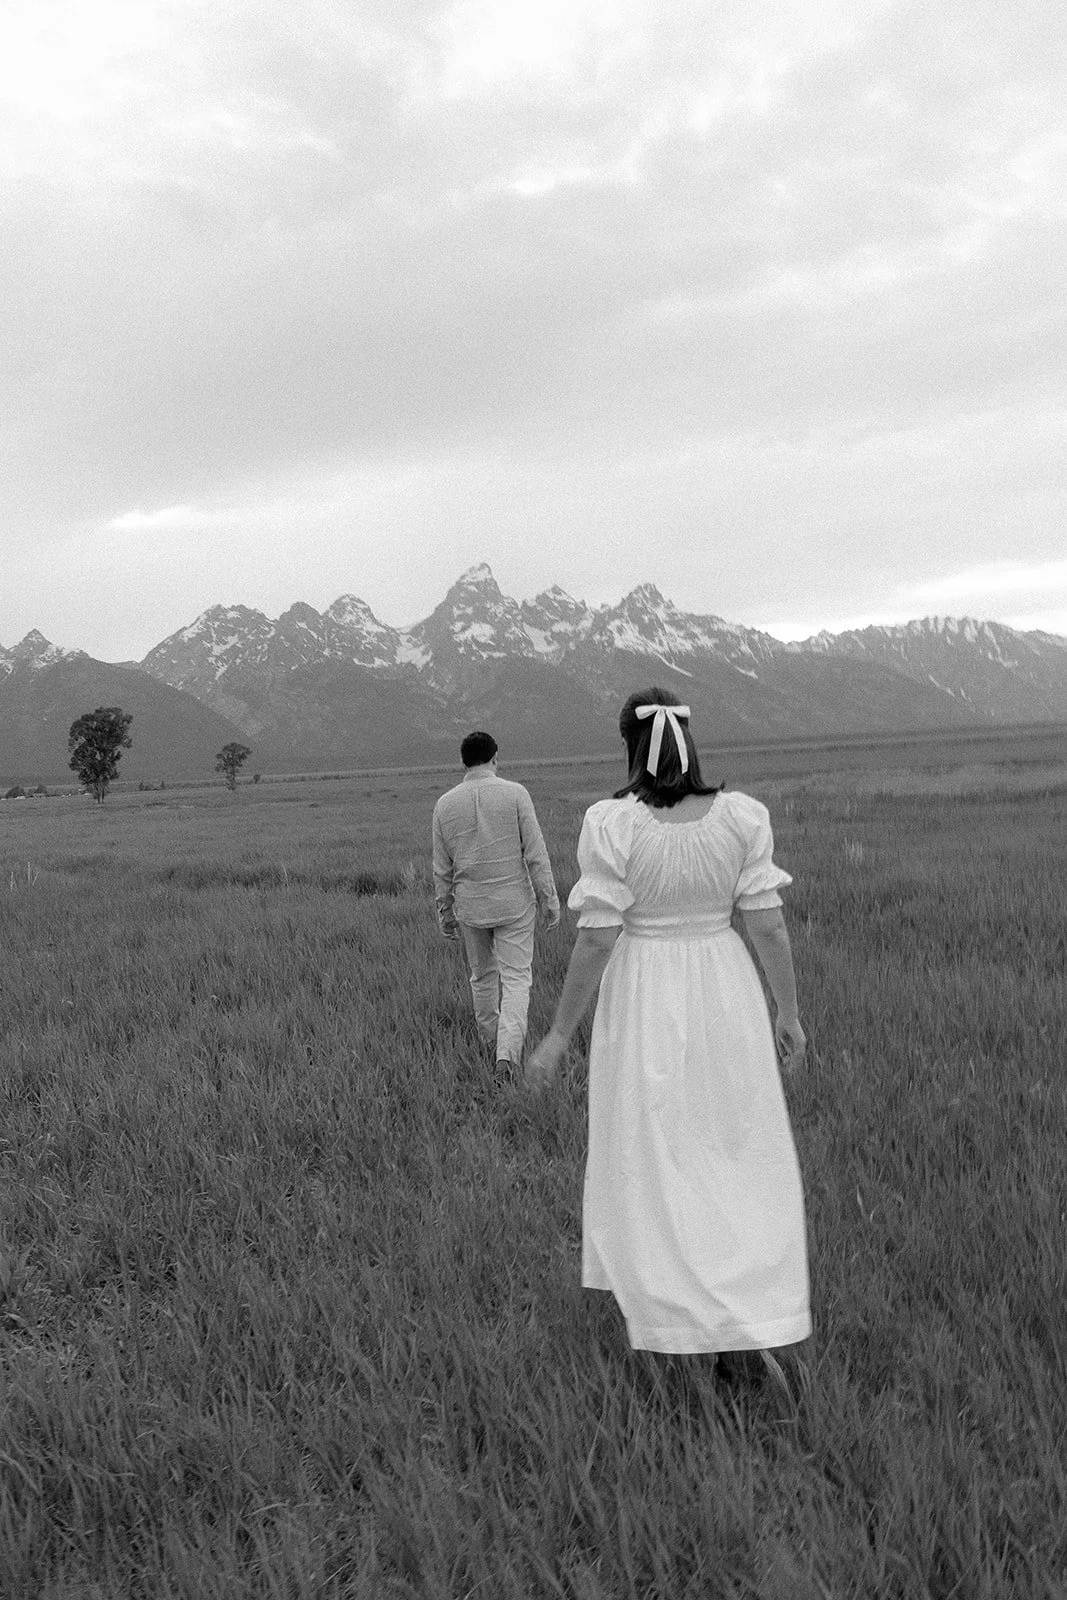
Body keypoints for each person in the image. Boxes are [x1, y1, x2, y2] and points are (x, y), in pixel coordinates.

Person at [525, 689, 810, 1370]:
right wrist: (788, 1012)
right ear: (688, 739)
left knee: (656, 1154)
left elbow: (597, 940)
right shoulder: (741, 817)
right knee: (734, 1150)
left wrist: (559, 1034)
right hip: (726, 989)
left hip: (646, 994)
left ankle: (681, 1330)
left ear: (629, 744)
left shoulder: (613, 823)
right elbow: (765, 922)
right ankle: (746, 1321)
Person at [433, 730, 560, 1073]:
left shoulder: (444, 804)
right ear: (495, 757)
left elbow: (441, 870)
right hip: (514, 903)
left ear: (463, 761)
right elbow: (536, 853)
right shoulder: (516, 794)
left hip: (470, 907)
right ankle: (507, 1056)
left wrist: (445, 913)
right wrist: (549, 898)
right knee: (517, 979)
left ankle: (489, 1043)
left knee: (482, 977)